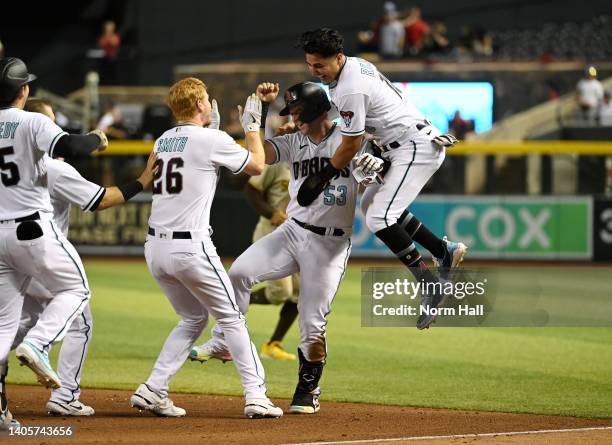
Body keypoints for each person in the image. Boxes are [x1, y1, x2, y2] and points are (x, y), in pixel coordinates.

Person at [193, 81, 367, 415]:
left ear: (318, 109)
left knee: (312, 321)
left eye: (299, 110)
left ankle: (308, 387)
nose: (294, 117)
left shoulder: (351, 140)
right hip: (292, 230)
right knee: (240, 272)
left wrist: (378, 169)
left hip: (329, 243)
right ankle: (223, 340)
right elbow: (257, 158)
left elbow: (376, 170)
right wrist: (254, 124)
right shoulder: (294, 140)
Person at [130, 77, 282, 419]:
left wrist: (212, 133)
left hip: (155, 248)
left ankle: (154, 388)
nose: (209, 102)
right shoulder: (211, 138)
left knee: (193, 317)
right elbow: (257, 165)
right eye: (207, 99)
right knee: (232, 318)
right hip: (190, 247)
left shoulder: (163, 139)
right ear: (200, 105)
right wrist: (253, 127)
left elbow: (182, 168)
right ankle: (256, 395)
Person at [295, 29, 467, 330]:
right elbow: (346, 118)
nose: (314, 71)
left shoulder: (350, 86)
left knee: (379, 218)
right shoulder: (354, 66)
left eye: (319, 65)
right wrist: (299, 127)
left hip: (414, 148)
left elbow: (350, 143)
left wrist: (323, 175)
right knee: (372, 203)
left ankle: (430, 284)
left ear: (337, 58)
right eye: (310, 64)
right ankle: (443, 250)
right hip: (400, 145)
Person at [7, 99, 157, 417]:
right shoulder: (54, 166)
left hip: (10, 256)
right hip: (40, 256)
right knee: (80, 318)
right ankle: (64, 395)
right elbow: (101, 199)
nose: (56, 127)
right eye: (50, 122)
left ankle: (28, 350)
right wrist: (143, 181)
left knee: (13, 325)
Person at [0, 57, 107, 430]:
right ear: (23, 90)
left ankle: (0, 409)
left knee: (3, 326)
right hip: (31, 229)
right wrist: (97, 138)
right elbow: (72, 146)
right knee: (76, 289)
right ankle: (39, 345)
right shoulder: (31, 120)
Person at [190, 161, 299, 363]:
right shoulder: (278, 162)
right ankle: (228, 308)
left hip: (301, 235)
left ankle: (273, 344)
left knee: (299, 294)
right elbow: (251, 190)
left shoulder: (313, 160)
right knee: (280, 292)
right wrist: (271, 212)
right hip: (272, 232)